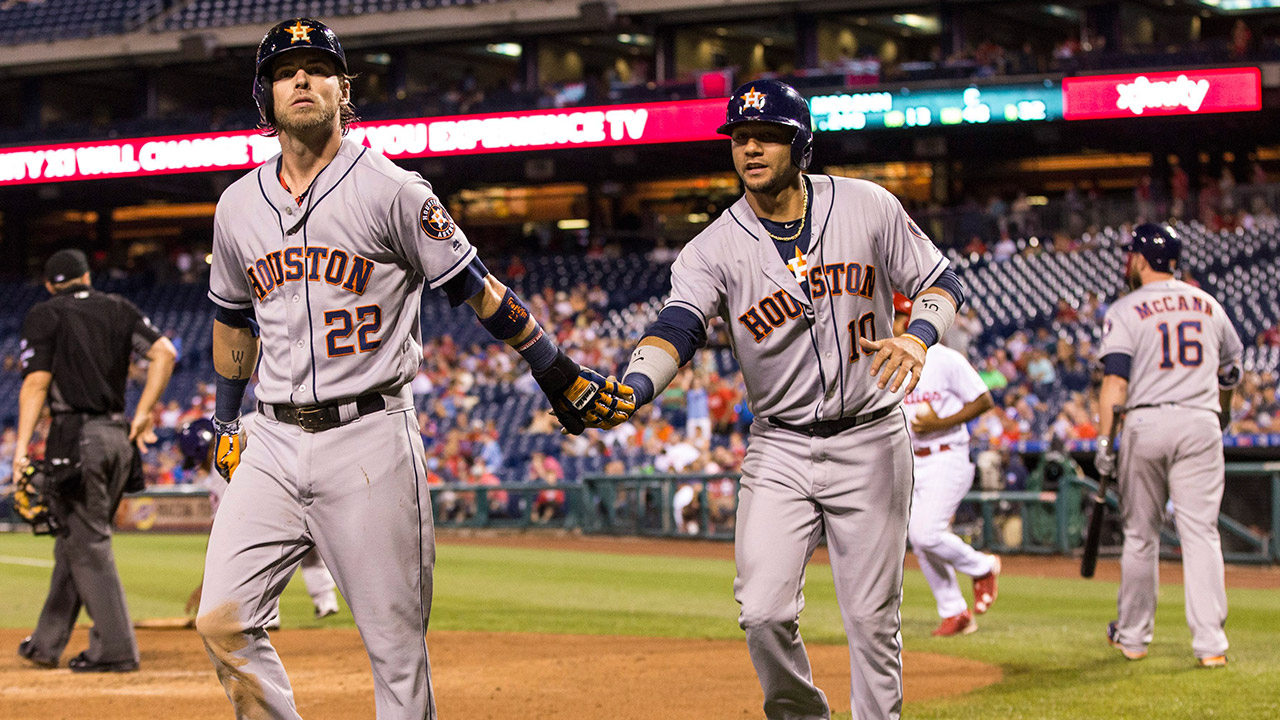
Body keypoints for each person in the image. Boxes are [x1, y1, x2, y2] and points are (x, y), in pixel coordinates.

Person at [196, 18, 621, 718]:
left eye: (318, 67)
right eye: (285, 70)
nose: (302, 79)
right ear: (263, 97)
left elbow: (479, 287)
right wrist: (224, 416)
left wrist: (555, 369)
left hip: (367, 438)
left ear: (344, 90)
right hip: (270, 440)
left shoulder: (394, 190)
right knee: (222, 619)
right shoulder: (237, 205)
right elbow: (232, 318)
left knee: (395, 651)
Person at [600, 79, 966, 720]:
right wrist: (633, 387)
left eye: (766, 136)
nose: (750, 149)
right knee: (764, 612)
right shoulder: (712, 247)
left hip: (872, 434)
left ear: (800, 143)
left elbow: (939, 280)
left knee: (873, 622)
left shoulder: (866, 205)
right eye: (740, 138)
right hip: (782, 446)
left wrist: (919, 334)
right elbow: (679, 325)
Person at [14, 248, 177, 672]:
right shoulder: (119, 307)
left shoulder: (46, 314)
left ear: (51, 285)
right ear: (87, 277)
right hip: (118, 435)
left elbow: (35, 384)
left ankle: (117, 649)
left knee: (88, 545)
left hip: (77, 439)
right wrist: (144, 413)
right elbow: (165, 353)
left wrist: (19, 450)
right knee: (76, 540)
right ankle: (46, 645)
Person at [1095, 223, 1243, 669]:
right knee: (1201, 534)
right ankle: (1211, 643)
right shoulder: (1208, 304)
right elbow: (1231, 370)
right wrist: (1224, 410)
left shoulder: (1126, 308)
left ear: (1140, 259)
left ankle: (1134, 637)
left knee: (1141, 536)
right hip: (1200, 420)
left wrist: (1105, 439)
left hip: (1146, 419)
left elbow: (1115, 381)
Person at [893, 293, 999, 637]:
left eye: (899, 316)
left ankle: (983, 566)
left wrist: (942, 423)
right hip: (913, 461)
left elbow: (984, 400)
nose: (894, 322)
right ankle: (955, 611)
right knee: (921, 539)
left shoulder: (944, 358)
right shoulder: (890, 359)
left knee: (926, 533)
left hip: (947, 454)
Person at [178, 417, 341, 625]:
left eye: (197, 459)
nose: (200, 465)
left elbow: (222, 528)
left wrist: (207, 584)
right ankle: (324, 599)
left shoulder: (223, 454)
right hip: (318, 452)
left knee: (260, 543)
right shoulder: (250, 420)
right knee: (307, 531)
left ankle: (266, 615)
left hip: (289, 471)